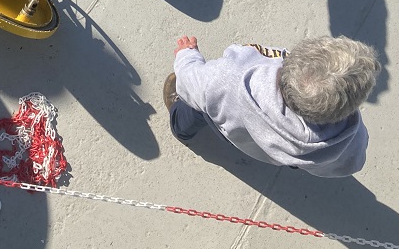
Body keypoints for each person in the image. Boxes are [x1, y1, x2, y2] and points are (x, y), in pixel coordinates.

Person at [163, 35, 380, 177]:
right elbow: (352, 163)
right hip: (274, 153)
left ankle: (179, 126)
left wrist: (187, 55)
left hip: (228, 119)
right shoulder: (352, 137)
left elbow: (190, 81)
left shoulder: (231, 77)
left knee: (192, 110)